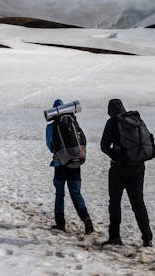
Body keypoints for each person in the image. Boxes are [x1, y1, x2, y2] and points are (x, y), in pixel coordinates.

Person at [100, 98, 152, 247]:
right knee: (138, 203)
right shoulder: (134, 119)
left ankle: (115, 237)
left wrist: (114, 154)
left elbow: (104, 146)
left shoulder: (112, 122)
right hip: (138, 167)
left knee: (115, 203)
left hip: (119, 168)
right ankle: (147, 238)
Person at [46, 99, 94, 234]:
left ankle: (60, 224)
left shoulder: (52, 126)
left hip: (60, 164)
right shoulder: (73, 122)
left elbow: (50, 147)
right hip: (75, 163)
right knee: (76, 193)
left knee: (59, 194)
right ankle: (87, 221)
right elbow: (82, 141)